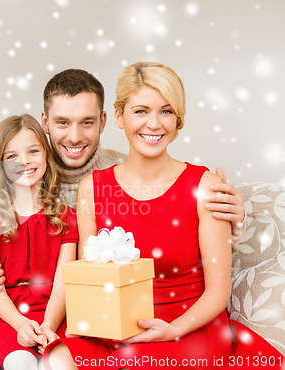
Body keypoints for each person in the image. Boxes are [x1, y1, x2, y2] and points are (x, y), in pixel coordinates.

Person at [0, 69, 246, 370]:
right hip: (13, 312)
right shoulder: (14, 175)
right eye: (63, 122)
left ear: (105, 121)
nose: (75, 136)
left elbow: (165, 222)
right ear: (45, 122)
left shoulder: (122, 176)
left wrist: (235, 216)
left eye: (87, 123)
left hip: (68, 311)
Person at [43, 62, 283, 370]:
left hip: (186, 325)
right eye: (141, 111)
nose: (154, 124)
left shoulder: (205, 186)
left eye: (166, 111)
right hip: (115, 326)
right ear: (119, 117)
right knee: (59, 358)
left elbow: (218, 291)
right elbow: (91, 278)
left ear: (178, 119)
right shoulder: (91, 187)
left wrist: (175, 328)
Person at [0, 114, 78, 369]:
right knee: (22, 361)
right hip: (6, 317)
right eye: (12, 156)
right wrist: (20, 324)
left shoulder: (67, 217)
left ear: (46, 155)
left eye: (33, 151)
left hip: (56, 312)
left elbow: (64, 281)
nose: (25, 161)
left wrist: (49, 325)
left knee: (61, 362)